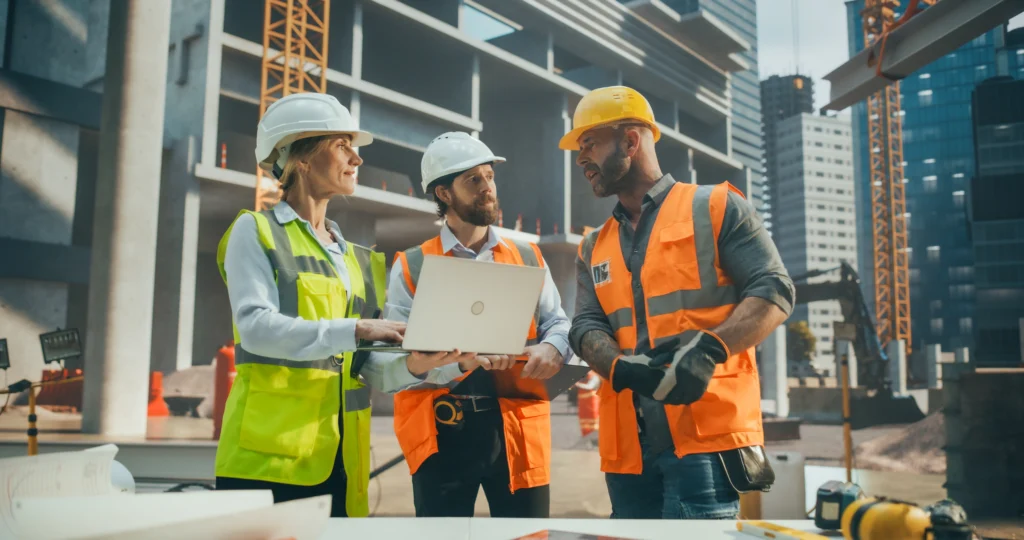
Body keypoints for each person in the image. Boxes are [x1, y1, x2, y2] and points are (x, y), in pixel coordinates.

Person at [213, 92, 465, 518]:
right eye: (342, 144)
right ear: (301, 157)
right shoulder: (254, 231)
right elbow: (255, 327)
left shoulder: (357, 259)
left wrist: (425, 364)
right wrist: (356, 329)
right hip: (268, 457)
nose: (357, 158)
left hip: (344, 459)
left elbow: (364, 366)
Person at [562, 86, 795, 520]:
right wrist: (619, 366)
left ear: (631, 141)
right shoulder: (593, 246)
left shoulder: (718, 207)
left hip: (705, 444)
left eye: (589, 143)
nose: (581, 159)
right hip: (628, 450)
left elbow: (774, 290)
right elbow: (584, 327)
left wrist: (708, 349)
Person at [371, 131, 572, 518]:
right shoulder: (413, 265)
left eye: (489, 177)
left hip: (517, 428)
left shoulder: (527, 256)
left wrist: (552, 348)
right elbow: (395, 365)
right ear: (443, 194)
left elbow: (558, 324)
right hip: (442, 432)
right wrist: (461, 362)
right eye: (473, 180)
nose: (487, 188)